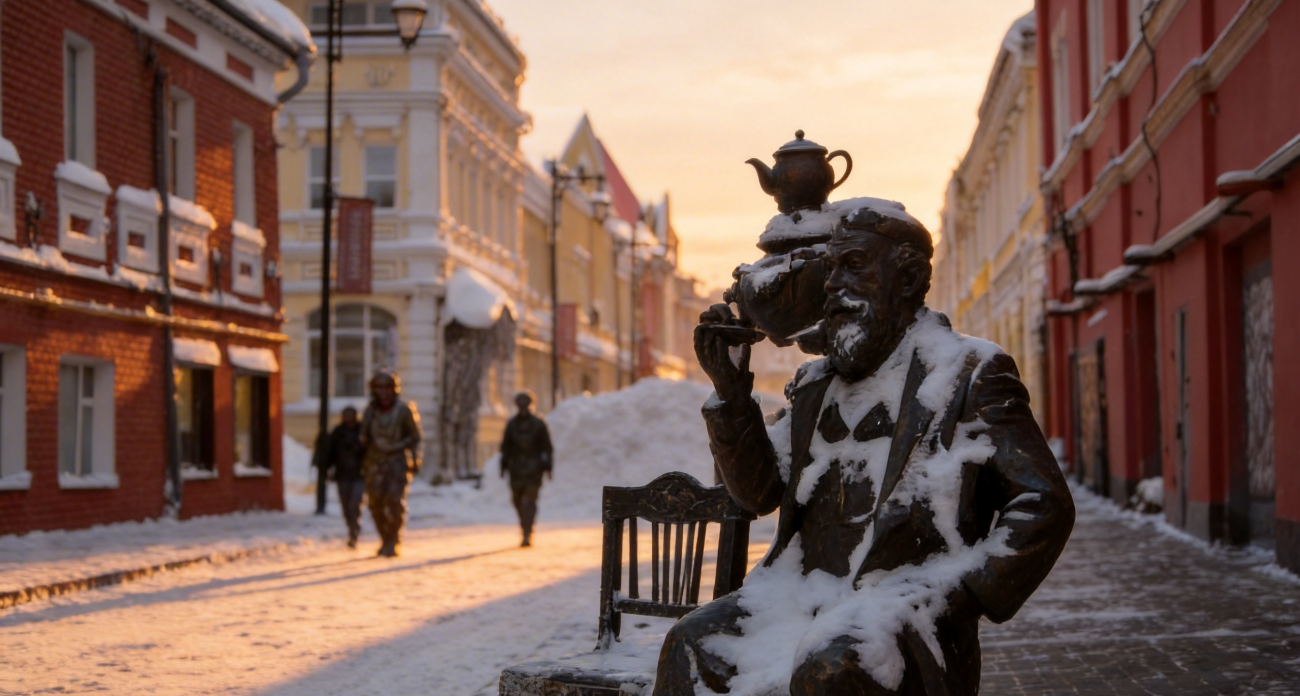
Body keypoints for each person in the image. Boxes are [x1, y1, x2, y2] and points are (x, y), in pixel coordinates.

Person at [654, 204, 1075, 695]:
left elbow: (1043, 503)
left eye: (853, 265)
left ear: (908, 278)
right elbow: (758, 494)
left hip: (899, 606)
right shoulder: (814, 383)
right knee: (688, 642)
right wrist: (731, 396)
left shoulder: (969, 373)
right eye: (830, 269)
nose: (832, 285)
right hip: (795, 595)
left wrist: (958, 592)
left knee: (831, 669)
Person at [360, 369, 422, 558]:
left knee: (394, 502)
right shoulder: (370, 412)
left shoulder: (403, 411)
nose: (383, 392)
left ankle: (393, 540)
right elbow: (363, 438)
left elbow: (415, 437)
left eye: (387, 387)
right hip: (375, 463)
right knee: (375, 504)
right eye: (379, 387)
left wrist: (411, 456)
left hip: (397, 463)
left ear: (394, 389)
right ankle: (385, 538)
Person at [499, 391, 553, 547]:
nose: (522, 407)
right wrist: (503, 465)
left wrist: (548, 467)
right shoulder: (512, 425)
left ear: (530, 405)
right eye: (520, 404)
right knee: (516, 500)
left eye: (525, 404)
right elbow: (506, 447)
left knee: (530, 501)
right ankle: (525, 525)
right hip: (516, 469)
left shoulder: (538, 424)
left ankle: (527, 532)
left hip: (533, 470)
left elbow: (547, 447)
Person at [323, 407, 365, 548]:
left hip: (359, 475)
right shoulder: (338, 432)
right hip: (342, 475)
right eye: (345, 415)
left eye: (350, 415)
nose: (348, 418)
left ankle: (355, 530)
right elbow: (330, 453)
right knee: (346, 506)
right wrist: (327, 470)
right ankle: (351, 528)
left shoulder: (362, 431)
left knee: (355, 504)